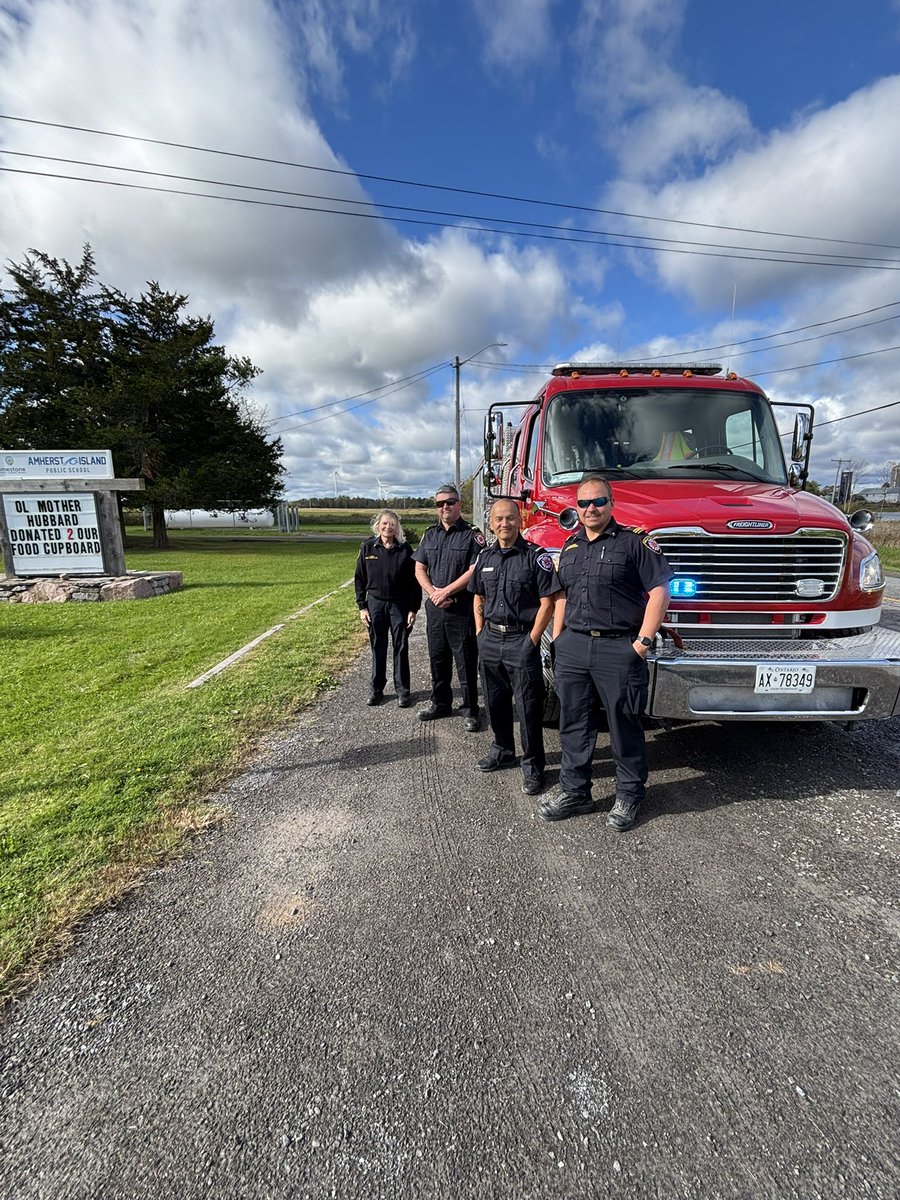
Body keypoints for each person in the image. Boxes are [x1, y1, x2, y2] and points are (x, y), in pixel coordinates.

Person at [540, 474, 671, 831]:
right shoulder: (570, 547)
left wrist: (642, 642)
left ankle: (629, 794)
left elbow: (660, 591)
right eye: (584, 503)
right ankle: (575, 791)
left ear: (612, 504)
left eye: (598, 501)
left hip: (619, 646)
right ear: (577, 508)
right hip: (574, 646)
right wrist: (559, 639)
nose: (591, 508)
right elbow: (561, 596)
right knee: (574, 723)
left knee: (623, 723)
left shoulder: (634, 543)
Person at [469, 500, 560, 795]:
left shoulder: (536, 557)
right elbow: (478, 597)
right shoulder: (484, 557)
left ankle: (533, 766)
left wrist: (533, 640)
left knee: (528, 706)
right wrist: (480, 632)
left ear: (519, 520)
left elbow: (548, 601)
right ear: (491, 523)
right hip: (491, 639)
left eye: (509, 518)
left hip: (521, 639)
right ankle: (502, 749)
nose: (504, 523)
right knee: (494, 702)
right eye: (498, 519)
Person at [413, 483, 485, 732]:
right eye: (440, 503)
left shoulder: (472, 534)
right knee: (437, 658)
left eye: (450, 502)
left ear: (459, 504)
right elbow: (419, 567)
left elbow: (474, 570)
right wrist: (434, 593)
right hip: (435, 609)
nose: (445, 507)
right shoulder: (430, 534)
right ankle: (441, 703)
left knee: (465, 659)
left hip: (460, 608)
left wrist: (446, 591)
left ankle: (470, 710)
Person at [354, 509, 421, 708]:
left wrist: (413, 609)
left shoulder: (405, 550)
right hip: (375, 604)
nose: (387, 527)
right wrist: (362, 606)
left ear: (396, 527)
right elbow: (359, 579)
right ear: (378, 525)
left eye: (392, 524)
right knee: (378, 647)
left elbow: (414, 582)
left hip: (399, 605)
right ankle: (377, 690)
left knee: (400, 647)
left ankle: (403, 691)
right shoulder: (367, 548)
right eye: (384, 523)